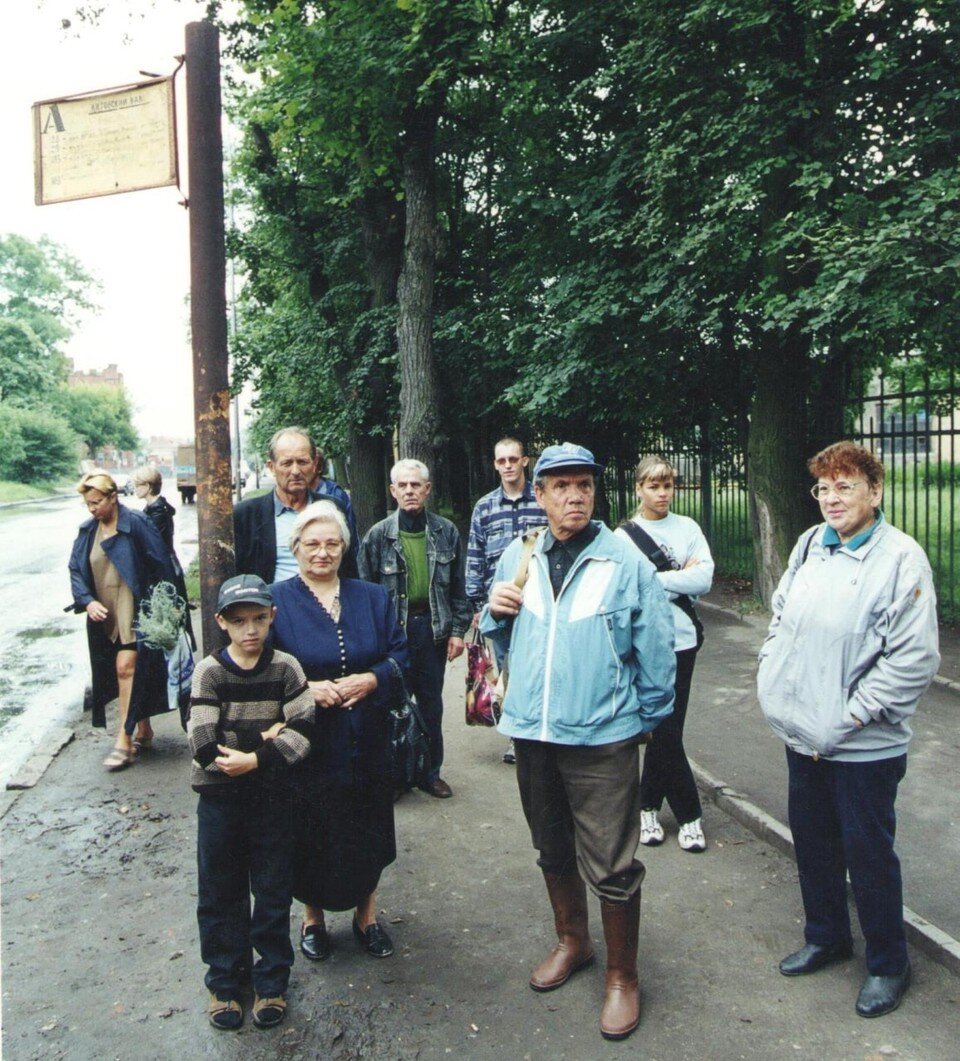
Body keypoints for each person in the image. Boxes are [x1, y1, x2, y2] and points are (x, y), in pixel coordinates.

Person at [481, 442, 676, 1041]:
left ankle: (623, 976)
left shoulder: (625, 562)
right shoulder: (522, 553)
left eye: (583, 485)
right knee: (551, 847)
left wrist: (638, 721)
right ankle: (574, 942)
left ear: (595, 492)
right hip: (534, 735)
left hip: (602, 740)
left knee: (612, 864)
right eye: (560, 486)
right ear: (537, 496)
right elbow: (494, 631)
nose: (573, 496)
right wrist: (493, 609)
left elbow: (658, 654)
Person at [758, 441, 940, 1019]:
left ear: (874, 491)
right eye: (823, 488)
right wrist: (772, 670)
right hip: (802, 733)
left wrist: (851, 715)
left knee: (868, 854)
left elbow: (914, 659)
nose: (832, 499)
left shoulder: (901, 560)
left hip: (864, 745)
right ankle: (827, 936)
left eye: (845, 486)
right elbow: (782, 611)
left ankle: (888, 964)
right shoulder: (812, 544)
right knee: (812, 842)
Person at [270, 500, 409, 962]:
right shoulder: (276, 602)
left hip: (368, 739)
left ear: (344, 548)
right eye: (312, 544)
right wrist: (306, 689)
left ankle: (366, 916)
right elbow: (264, 673)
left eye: (332, 543)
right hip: (309, 743)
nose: (323, 553)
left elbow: (400, 655)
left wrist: (373, 679)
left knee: (368, 826)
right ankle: (313, 920)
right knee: (312, 829)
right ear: (296, 548)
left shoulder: (372, 596)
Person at [189, 574, 315, 1031]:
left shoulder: (286, 668)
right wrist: (267, 739)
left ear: (271, 617)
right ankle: (224, 982)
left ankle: (271, 980)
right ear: (222, 622)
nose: (250, 630)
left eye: (259, 619)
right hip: (221, 800)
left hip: (272, 801)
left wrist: (259, 756)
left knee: (273, 888)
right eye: (239, 620)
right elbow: (203, 743)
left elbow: (305, 733)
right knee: (220, 890)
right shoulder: (210, 671)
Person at [614, 455, 714, 852]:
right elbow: (626, 590)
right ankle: (690, 815)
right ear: (639, 488)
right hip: (644, 644)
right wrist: (676, 580)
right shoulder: (624, 538)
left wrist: (654, 581)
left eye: (667, 485)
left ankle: (647, 806)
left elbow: (704, 578)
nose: (662, 493)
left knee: (668, 729)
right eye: (653, 486)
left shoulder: (688, 528)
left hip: (684, 641)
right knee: (661, 728)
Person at [359, 459, 471, 799]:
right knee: (391, 704)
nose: (410, 491)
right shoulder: (378, 536)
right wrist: (372, 639)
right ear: (393, 491)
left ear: (427, 489)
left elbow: (459, 588)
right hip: (392, 635)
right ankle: (395, 775)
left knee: (430, 704)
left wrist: (457, 631)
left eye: (416, 485)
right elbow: (364, 590)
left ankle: (429, 772)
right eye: (403, 485)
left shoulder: (446, 531)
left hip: (432, 630)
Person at [68, 471, 177, 771]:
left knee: (126, 668)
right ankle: (144, 729)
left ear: (113, 497)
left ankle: (123, 740)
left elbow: (161, 564)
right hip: (103, 613)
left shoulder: (137, 524)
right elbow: (76, 570)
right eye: (88, 504)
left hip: (136, 607)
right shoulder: (88, 530)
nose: (92, 509)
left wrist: (167, 610)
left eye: (97, 502)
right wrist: (87, 601)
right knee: (123, 671)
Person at [466, 437, 544, 764]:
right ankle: (516, 735)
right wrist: (475, 606)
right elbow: (474, 555)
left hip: (537, 602)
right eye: (502, 461)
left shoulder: (540, 501)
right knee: (506, 668)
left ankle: (538, 727)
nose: (508, 465)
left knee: (534, 665)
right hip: (499, 606)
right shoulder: (485, 507)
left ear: (525, 461)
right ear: (495, 464)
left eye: (514, 459)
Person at [233, 427, 358, 584]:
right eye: (286, 463)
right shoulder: (246, 515)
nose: (295, 471)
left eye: (302, 462)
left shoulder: (333, 508)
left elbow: (349, 569)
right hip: (273, 606)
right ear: (271, 467)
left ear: (314, 464)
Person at [133, 465, 196, 655]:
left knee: (170, 616)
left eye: (138, 485)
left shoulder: (157, 511)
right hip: (166, 565)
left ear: (148, 486)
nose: (135, 488)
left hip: (164, 569)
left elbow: (153, 548)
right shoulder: (156, 508)